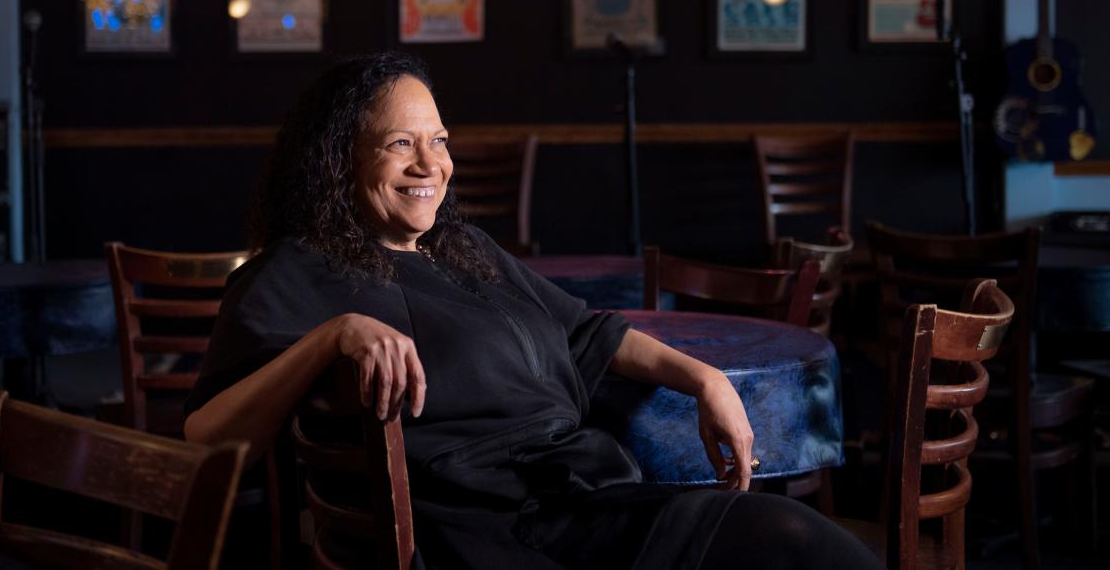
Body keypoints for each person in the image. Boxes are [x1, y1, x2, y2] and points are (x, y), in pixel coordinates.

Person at [184, 52, 881, 569]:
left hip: (583, 499)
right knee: (790, 541)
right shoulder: (300, 269)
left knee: (792, 539)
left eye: (440, 140)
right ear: (338, 162)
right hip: (496, 532)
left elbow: (585, 330)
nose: (431, 164)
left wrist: (703, 377)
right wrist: (331, 338)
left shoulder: (464, 248)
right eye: (401, 143)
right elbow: (208, 436)